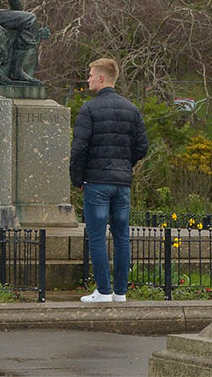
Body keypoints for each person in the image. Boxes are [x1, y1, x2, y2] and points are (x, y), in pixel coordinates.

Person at [69, 58, 148, 303]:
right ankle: (120, 291)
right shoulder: (131, 109)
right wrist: (125, 165)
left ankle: (103, 290)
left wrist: (77, 178)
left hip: (96, 182)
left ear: (102, 78)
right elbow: (141, 148)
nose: (88, 79)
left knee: (96, 235)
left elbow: (79, 148)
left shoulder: (89, 109)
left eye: (91, 75)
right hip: (121, 183)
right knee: (121, 235)